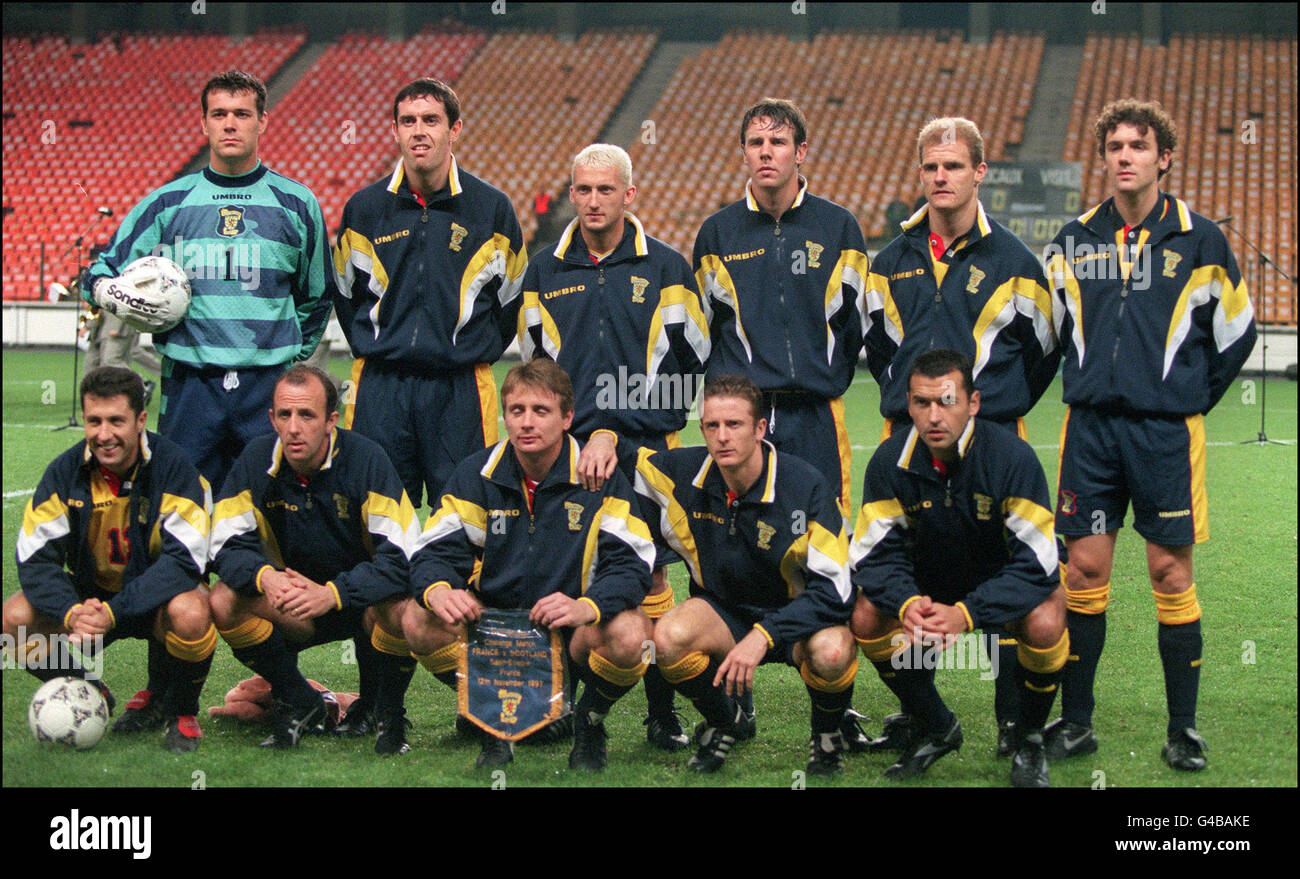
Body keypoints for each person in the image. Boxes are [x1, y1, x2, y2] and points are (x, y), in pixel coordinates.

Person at [1043, 99, 1256, 771]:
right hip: (1091, 431)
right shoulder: (1073, 240)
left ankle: (1183, 728)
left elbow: (1236, 336)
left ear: (1163, 157)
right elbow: (1047, 335)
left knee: (1169, 570)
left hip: (1166, 435)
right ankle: (1076, 723)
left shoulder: (1201, 240)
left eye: (1139, 145)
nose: (1125, 156)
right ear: (1104, 158)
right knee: (1083, 569)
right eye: (1115, 146)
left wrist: (1186, 398)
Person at [862, 117, 1061, 756]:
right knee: (900, 581)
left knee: (1009, 573)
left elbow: (1044, 350)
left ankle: (1015, 725)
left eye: (953, 166)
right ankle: (926, 716)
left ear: (979, 172)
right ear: (920, 173)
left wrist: (998, 408)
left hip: (994, 436)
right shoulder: (889, 261)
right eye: (930, 167)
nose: (940, 177)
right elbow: (875, 347)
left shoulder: (1016, 261)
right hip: (911, 438)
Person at [518, 143, 710, 752]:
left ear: (630, 194)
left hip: (647, 451)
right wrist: (578, 436)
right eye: (583, 190)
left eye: (607, 190)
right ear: (571, 194)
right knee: (575, 573)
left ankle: (662, 715)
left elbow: (688, 373)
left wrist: (617, 429)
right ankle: (565, 708)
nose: (594, 201)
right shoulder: (544, 270)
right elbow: (539, 372)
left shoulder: (668, 268)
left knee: (647, 576)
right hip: (569, 455)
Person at [692, 98, 871, 748]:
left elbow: (855, 325)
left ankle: (834, 712)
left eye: (778, 140)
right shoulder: (716, 233)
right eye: (754, 141)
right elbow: (706, 331)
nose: (765, 150)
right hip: (745, 421)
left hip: (817, 416)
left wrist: (824, 372)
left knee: (823, 557)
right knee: (734, 554)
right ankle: (728, 708)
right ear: (743, 152)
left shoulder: (839, 226)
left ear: (802, 151)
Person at [82, 70, 332, 494]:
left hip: (268, 389)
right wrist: (115, 293)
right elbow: (101, 270)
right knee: (183, 509)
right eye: (219, 114)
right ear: (204, 123)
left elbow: (318, 295)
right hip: (189, 387)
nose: (230, 124)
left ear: (262, 121)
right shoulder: (168, 202)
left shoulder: (297, 203)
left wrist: (286, 356)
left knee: (266, 508)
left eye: (241, 114)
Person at [403, 359, 655, 771]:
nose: (527, 423)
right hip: (496, 629)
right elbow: (434, 550)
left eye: (541, 411)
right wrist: (439, 589)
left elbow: (633, 560)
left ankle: (588, 721)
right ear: (504, 416)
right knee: (419, 617)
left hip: (570, 632)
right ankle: (490, 716)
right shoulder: (477, 473)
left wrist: (586, 607)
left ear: (567, 417)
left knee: (631, 634)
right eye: (517, 411)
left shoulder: (596, 475)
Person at [848, 350, 1068, 787]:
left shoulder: (1012, 458)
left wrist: (966, 614)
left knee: (1046, 618)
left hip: (996, 583)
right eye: (922, 403)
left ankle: (1028, 742)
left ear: (974, 403)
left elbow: (1038, 561)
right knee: (867, 615)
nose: (934, 416)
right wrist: (908, 602)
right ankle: (936, 725)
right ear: (908, 405)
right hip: (927, 587)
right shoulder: (888, 461)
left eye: (947, 400)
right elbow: (872, 556)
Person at [634, 375, 858, 775]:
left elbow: (836, 593)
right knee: (667, 639)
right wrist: (600, 439)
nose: (722, 437)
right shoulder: (683, 473)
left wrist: (765, 635)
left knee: (833, 651)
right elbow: (627, 463)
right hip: (724, 615)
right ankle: (726, 723)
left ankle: (826, 739)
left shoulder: (806, 485)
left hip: (797, 620)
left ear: (759, 429)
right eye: (711, 426)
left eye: (734, 425)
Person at [332, 77, 526, 512]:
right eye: (408, 121)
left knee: (467, 514)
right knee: (372, 514)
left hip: (460, 388)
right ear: (396, 130)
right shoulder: (364, 208)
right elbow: (346, 296)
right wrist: (383, 344)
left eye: (431, 120)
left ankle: (455, 585)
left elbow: (512, 300)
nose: (419, 130)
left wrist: (470, 350)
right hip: (380, 386)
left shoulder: (491, 208)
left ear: (455, 129)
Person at [207, 365, 419, 754]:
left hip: (358, 604)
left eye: (307, 415)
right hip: (292, 605)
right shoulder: (255, 460)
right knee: (223, 599)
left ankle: (380, 710)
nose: (294, 427)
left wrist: (335, 593)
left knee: (400, 609)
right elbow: (221, 543)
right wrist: (264, 576)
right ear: (271, 418)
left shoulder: (366, 459)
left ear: (330, 420)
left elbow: (403, 556)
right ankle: (298, 699)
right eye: (284, 415)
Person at [6, 366, 215, 753]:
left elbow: (184, 560)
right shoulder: (64, 472)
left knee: (192, 611)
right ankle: (86, 686)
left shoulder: (175, 468)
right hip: (89, 598)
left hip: (154, 598)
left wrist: (114, 612)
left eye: (116, 421)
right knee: (13, 621)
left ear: (140, 420)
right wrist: (72, 612)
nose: (104, 435)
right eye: (94, 421)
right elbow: (35, 559)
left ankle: (180, 711)